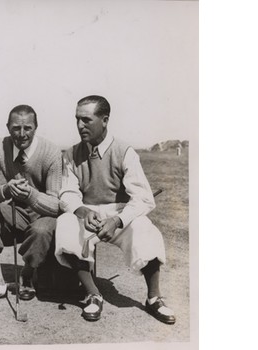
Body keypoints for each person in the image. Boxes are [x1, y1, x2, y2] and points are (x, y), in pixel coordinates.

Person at [55, 95, 176, 324]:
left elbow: (143, 198)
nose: (80, 126)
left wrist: (118, 221)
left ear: (105, 120)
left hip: (121, 214)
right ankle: (93, 294)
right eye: (77, 120)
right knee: (65, 223)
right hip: (87, 214)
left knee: (144, 228)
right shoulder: (70, 154)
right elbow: (68, 193)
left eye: (86, 120)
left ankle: (154, 298)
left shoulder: (125, 151)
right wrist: (81, 210)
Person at [0, 104, 62, 306]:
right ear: (7, 127)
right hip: (14, 215)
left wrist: (31, 195)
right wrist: (4, 190)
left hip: (42, 217)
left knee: (43, 228)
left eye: (27, 128)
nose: (21, 134)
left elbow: (57, 206)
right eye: (15, 128)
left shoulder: (52, 152)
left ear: (36, 127)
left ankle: (27, 275)